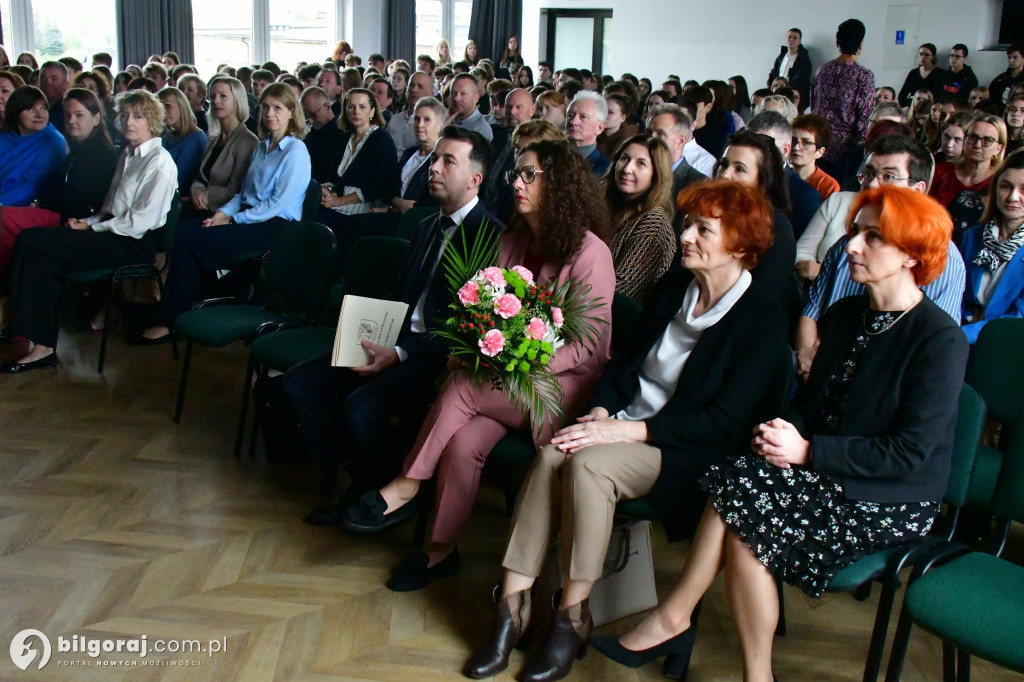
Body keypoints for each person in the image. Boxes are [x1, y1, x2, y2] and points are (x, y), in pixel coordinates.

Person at [593, 185, 967, 682]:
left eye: (872, 239)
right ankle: (744, 668)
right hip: (829, 472)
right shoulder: (844, 317)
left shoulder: (939, 340)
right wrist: (785, 429)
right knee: (742, 492)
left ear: (912, 257)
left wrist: (809, 450)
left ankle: (676, 619)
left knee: (743, 506)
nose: (852, 245)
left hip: (890, 496)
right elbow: (817, 406)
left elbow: (910, 454)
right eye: (856, 232)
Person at [463, 179, 785, 682]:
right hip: (624, 425)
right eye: (687, 225)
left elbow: (722, 423)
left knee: (587, 464)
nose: (686, 236)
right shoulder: (677, 287)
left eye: (703, 229)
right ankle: (511, 607)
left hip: (685, 449)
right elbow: (622, 367)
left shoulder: (763, 319)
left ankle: (571, 618)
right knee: (551, 455)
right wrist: (601, 413)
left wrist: (625, 433)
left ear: (741, 246)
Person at [341, 140, 615, 595]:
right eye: (517, 175)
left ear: (560, 186)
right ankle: (439, 553)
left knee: (464, 385)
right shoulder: (512, 238)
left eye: (530, 175)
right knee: (462, 442)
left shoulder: (590, 252)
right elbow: (481, 308)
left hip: (556, 389)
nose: (518, 184)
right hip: (500, 381)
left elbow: (586, 346)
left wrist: (515, 364)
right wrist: (477, 346)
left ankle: (406, 486)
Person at [289, 126, 503, 525]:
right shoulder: (426, 225)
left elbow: (467, 330)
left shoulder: (492, 238)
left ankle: (392, 496)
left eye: (447, 161)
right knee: (303, 381)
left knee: (362, 404)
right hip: (398, 340)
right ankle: (363, 479)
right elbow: (404, 297)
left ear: (475, 179)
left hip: (439, 360)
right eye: (435, 157)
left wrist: (401, 353)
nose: (433, 167)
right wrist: (366, 333)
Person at [0, 90, 177, 372]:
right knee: (39, 257)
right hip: (111, 233)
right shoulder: (128, 155)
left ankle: (25, 332)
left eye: (138, 117)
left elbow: (140, 222)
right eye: (126, 116)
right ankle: (41, 346)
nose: (129, 122)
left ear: (152, 122)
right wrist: (89, 223)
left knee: (30, 239)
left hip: (132, 244)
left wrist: (95, 228)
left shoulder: (159, 161)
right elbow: (109, 208)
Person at [140, 82, 311, 343]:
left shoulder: (295, 150)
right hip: (248, 217)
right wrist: (222, 214)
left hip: (275, 227)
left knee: (190, 241)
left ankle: (172, 319)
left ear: (291, 112)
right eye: (265, 107)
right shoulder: (262, 146)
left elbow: (275, 204)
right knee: (183, 230)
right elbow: (243, 193)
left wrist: (233, 219)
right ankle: (195, 302)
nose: (269, 113)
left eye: (277, 108)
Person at [794, 135, 965, 380]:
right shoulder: (848, 243)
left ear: (918, 190)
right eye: (869, 173)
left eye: (888, 176)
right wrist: (807, 358)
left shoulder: (941, 258)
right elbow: (811, 311)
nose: (873, 185)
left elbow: (932, 347)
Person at [0, 89, 119, 283]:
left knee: (3, 218)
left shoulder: (99, 153)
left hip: (72, 220)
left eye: (79, 115)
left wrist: (41, 204)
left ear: (96, 118)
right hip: (54, 211)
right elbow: (54, 185)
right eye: (68, 115)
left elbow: (79, 200)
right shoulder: (78, 149)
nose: (72, 120)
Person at [714, 129, 797, 313]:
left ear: (762, 183)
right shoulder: (706, 214)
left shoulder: (777, 229)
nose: (725, 175)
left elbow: (756, 306)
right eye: (723, 165)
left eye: (739, 169)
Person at [603, 135, 676, 305]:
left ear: (656, 175)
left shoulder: (654, 223)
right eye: (624, 158)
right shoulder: (609, 205)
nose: (627, 169)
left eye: (641, 164)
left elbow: (621, 292)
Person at [959, 151, 1024, 343]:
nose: (1013, 197)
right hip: (958, 334)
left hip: (1004, 344)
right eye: (1006, 186)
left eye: (1023, 189)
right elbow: (958, 293)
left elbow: (1018, 318)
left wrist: (963, 334)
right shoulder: (973, 236)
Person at [746, 111, 822, 241]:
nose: (750, 153)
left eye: (762, 146)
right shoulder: (736, 178)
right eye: (747, 144)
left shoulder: (805, 197)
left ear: (785, 150)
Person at [188, 76, 259, 217]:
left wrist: (204, 196)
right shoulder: (214, 137)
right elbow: (201, 177)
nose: (216, 101)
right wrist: (196, 190)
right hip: (201, 206)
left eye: (223, 96)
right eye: (212, 96)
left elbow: (235, 190)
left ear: (237, 100)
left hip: (222, 214)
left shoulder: (247, 141)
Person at [810, 19, 875, 165]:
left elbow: (813, 106)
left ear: (837, 43)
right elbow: (864, 117)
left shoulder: (822, 70)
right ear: (860, 44)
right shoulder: (864, 76)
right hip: (845, 151)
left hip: (819, 144)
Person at [0, 86, 67, 207]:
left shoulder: (53, 141)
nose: (40, 115)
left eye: (43, 108)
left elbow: (29, 189)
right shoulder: (3, 138)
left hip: (20, 208)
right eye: (31, 109)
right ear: (16, 112)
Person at [929, 114, 1005, 208]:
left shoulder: (1000, 180)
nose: (977, 145)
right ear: (965, 139)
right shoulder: (942, 171)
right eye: (973, 137)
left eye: (987, 140)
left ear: (998, 149)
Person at [386, 96, 445, 213]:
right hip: (394, 214)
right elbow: (388, 190)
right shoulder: (409, 153)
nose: (420, 124)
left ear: (439, 125)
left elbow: (433, 202)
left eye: (427, 120)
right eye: (417, 119)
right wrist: (399, 202)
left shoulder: (441, 160)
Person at [646, 104, 708, 204]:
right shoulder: (638, 172)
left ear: (680, 141)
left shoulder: (698, 185)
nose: (650, 139)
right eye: (649, 132)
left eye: (660, 134)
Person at [158, 87, 207, 197]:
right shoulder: (167, 135)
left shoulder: (197, 138)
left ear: (181, 105)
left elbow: (183, 178)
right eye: (159, 108)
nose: (163, 112)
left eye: (167, 106)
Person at [790, 113, 840, 200]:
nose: (796, 147)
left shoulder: (829, 186)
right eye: (793, 140)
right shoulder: (779, 177)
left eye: (806, 142)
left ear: (820, 152)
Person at [386, 71, 433, 157]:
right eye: (411, 85)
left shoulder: (433, 124)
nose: (413, 90)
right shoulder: (395, 119)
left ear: (430, 95)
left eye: (420, 87)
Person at [300, 86, 341, 183]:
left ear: (327, 106)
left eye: (313, 114)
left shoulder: (341, 136)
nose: (310, 121)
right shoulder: (311, 134)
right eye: (306, 116)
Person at [565, 91, 610, 175]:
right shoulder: (551, 157)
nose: (573, 122)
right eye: (570, 115)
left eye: (583, 117)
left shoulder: (605, 170)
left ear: (599, 128)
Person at [767, 28, 812, 110]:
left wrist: (786, 89)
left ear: (799, 41)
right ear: (786, 39)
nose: (791, 40)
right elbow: (773, 74)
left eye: (795, 38)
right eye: (789, 37)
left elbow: (800, 80)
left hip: (792, 97)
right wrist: (772, 87)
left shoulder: (803, 59)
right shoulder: (781, 57)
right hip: (777, 95)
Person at [446, 73, 493, 142]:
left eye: (463, 94)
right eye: (453, 93)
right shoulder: (446, 120)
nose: (456, 98)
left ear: (476, 98)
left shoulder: (480, 129)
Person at [596, 92, 637, 159]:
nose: (605, 115)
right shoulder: (593, 133)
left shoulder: (627, 142)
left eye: (610, 112)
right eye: (603, 111)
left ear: (622, 118)